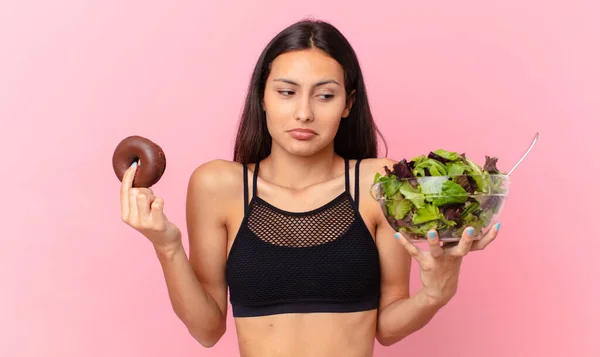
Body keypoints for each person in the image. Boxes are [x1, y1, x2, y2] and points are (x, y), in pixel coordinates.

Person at [119, 18, 501, 357]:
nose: (304, 112)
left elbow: (387, 326)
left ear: (348, 104)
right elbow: (206, 330)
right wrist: (167, 245)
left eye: (325, 95)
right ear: (263, 98)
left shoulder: (377, 181)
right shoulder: (217, 186)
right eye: (287, 92)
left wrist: (434, 295)